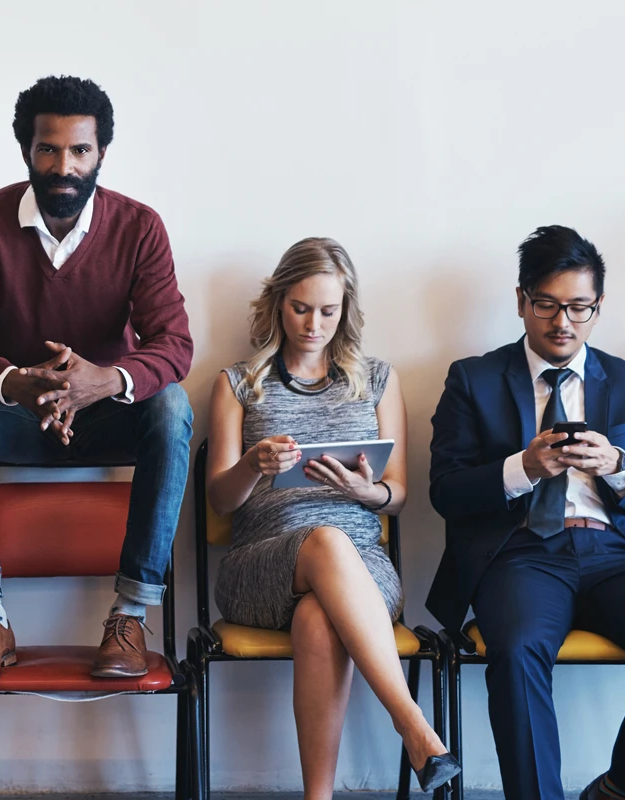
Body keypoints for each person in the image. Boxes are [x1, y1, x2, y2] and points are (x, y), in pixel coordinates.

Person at [0, 75, 194, 685]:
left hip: (107, 416)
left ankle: (130, 616)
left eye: (80, 150)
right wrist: (20, 382)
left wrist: (105, 381)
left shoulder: (140, 227)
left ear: (102, 152)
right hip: (18, 415)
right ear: (26, 148)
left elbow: (174, 345)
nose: (64, 165)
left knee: (172, 406)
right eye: (49, 149)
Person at [428, 226, 625, 800]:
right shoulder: (474, 378)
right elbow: (447, 491)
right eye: (547, 304)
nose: (562, 321)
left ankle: (620, 788)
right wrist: (523, 468)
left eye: (578, 307)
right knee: (515, 654)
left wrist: (617, 464)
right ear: (521, 301)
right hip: (521, 556)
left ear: (598, 308)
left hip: (613, 555)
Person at [205, 237, 459, 796]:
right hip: (260, 564)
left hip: (364, 567)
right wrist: (252, 463)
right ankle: (414, 727)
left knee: (320, 616)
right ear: (277, 303)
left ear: (346, 310)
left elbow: (399, 496)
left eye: (328, 310)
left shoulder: (376, 379)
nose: (313, 324)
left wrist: (367, 491)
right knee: (323, 540)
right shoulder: (237, 384)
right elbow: (221, 501)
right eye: (300, 308)